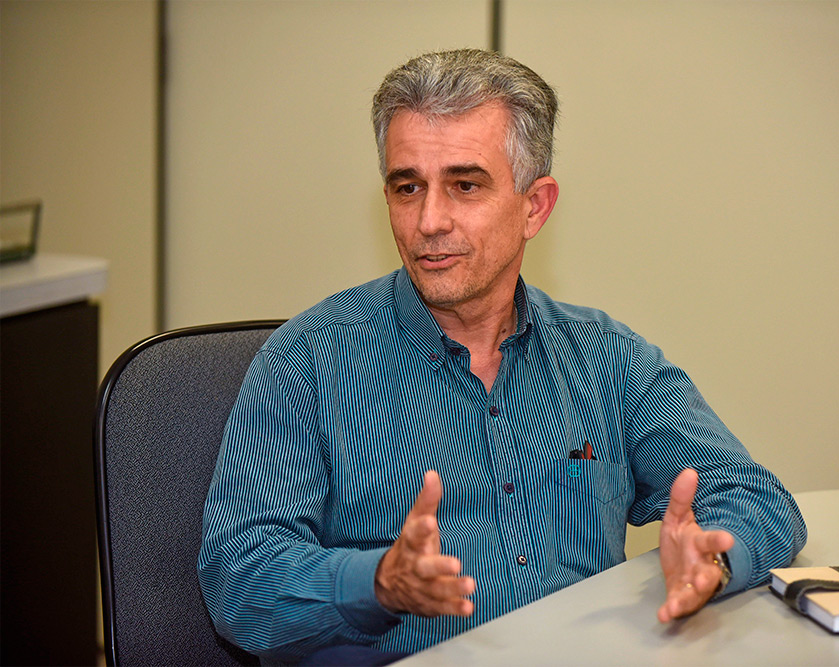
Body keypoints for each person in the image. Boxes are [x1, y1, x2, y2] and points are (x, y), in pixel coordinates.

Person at [198, 48, 806, 664]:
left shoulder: (605, 359)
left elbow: (759, 500)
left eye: (465, 186)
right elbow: (238, 578)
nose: (429, 220)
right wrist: (379, 582)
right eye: (407, 187)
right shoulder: (309, 361)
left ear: (534, 207)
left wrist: (714, 560)